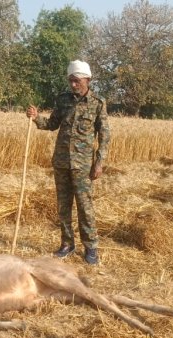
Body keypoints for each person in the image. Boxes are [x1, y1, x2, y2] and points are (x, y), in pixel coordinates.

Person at [26, 60, 110, 265]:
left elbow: (104, 135)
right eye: (70, 80)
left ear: (87, 80)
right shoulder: (63, 100)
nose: (73, 85)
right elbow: (51, 124)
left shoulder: (98, 103)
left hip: (83, 166)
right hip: (62, 162)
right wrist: (36, 118)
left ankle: (90, 247)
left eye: (77, 81)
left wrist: (99, 162)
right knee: (63, 206)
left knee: (85, 206)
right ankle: (67, 244)